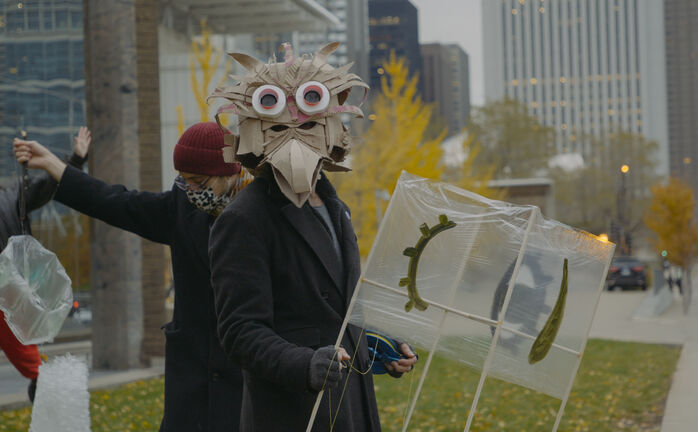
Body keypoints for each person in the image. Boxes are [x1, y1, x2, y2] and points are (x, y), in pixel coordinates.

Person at [208, 42, 417, 431]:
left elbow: (332, 315)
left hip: (351, 404)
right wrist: (304, 363)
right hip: (295, 411)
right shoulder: (244, 219)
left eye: (307, 123)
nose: (295, 135)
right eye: (278, 125)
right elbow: (239, 331)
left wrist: (376, 348)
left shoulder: (337, 209)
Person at [14, 122, 246, 431]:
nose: (192, 190)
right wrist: (54, 165)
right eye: (184, 181)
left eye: (199, 182)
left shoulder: (261, 213)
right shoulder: (181, 207)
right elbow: (117, 202)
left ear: (230, 173)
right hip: (191, 379)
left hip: (242, 377)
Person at [1, 127, 89, 402]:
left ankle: (44, 394)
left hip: (9, 292)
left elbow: (47, 186)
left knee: (30, 359)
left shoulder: (11, 196)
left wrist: (75, 159)